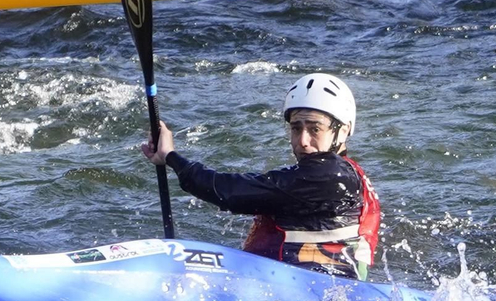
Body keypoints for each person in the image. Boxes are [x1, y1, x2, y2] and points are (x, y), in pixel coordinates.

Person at [140, 73, 382, 280]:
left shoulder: (331, 175)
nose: (303, 141)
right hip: (305, 285)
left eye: (315, 129)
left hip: (315, 290)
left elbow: (232, 193)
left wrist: (172, 157)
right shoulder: (343, 175)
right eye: (296, 128)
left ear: (343, 130)